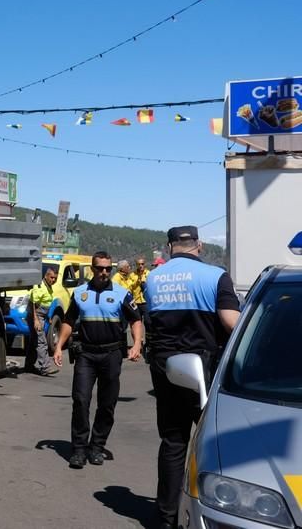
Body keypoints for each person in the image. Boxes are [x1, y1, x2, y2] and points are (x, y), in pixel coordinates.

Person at [144, 226, 240, 529]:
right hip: (205, 366)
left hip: (166, 366)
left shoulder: (154, 278)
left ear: (171, 247)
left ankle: (166, 516)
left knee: (173, 441)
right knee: (216, 440)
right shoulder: (215, 275)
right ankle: (218, 511)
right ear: (198, 245)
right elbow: (229, 321)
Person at [53, 251, 143, 469]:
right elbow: (69, 320)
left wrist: (137, 344)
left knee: (107, 404)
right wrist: (58, 346)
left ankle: (97, 447)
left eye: (107, 269)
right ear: (92, 269)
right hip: (86, 353)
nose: (104, 272)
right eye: (100, 268)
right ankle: (79, 450)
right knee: (81, 400)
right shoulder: (80, 293)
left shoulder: (122, 294)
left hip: (112, 354)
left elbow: (136, 320)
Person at [25, 266, 59, 376]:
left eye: (55, 278)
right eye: (52, 277)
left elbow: (46, 302)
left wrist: (48, 316)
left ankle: (29, 366)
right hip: (36, 316)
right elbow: (33, 304)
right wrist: (36, 320)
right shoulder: (40, 286)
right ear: (46, 276)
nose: (53, 280)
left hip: (42, 316)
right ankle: (45, 367)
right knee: (42, 342)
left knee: (34, 341)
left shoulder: (48, 286)